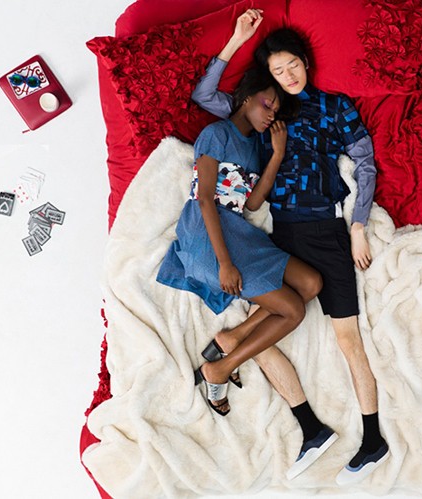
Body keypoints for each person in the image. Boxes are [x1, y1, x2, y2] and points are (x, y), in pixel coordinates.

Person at [191, 9, 390, 485]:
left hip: (327, 230)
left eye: (292, 65)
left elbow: (365, 165)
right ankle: (310, 428)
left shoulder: (335, 106)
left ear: (306, 62)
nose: (288, 76)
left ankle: (373, 440)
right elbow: (204, 96)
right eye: (278, 71)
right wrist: (236, 39)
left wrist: (358, 225)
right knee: (261, 340)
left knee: (348, 339)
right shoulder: (264, 109)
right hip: (279, 233)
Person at [156, 67, 328, 426]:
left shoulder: (254, 146)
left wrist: (277, 154)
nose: (270, 114)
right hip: (207, 237)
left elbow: (252, 203)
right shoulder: (215, 134)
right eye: (267, 104)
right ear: (246, 97)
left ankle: (230, 339)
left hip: (240, 231)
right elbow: (205, 199)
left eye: (275, 110)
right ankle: (221, 368)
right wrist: (224, 264)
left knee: (311, 283)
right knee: (293, 311)